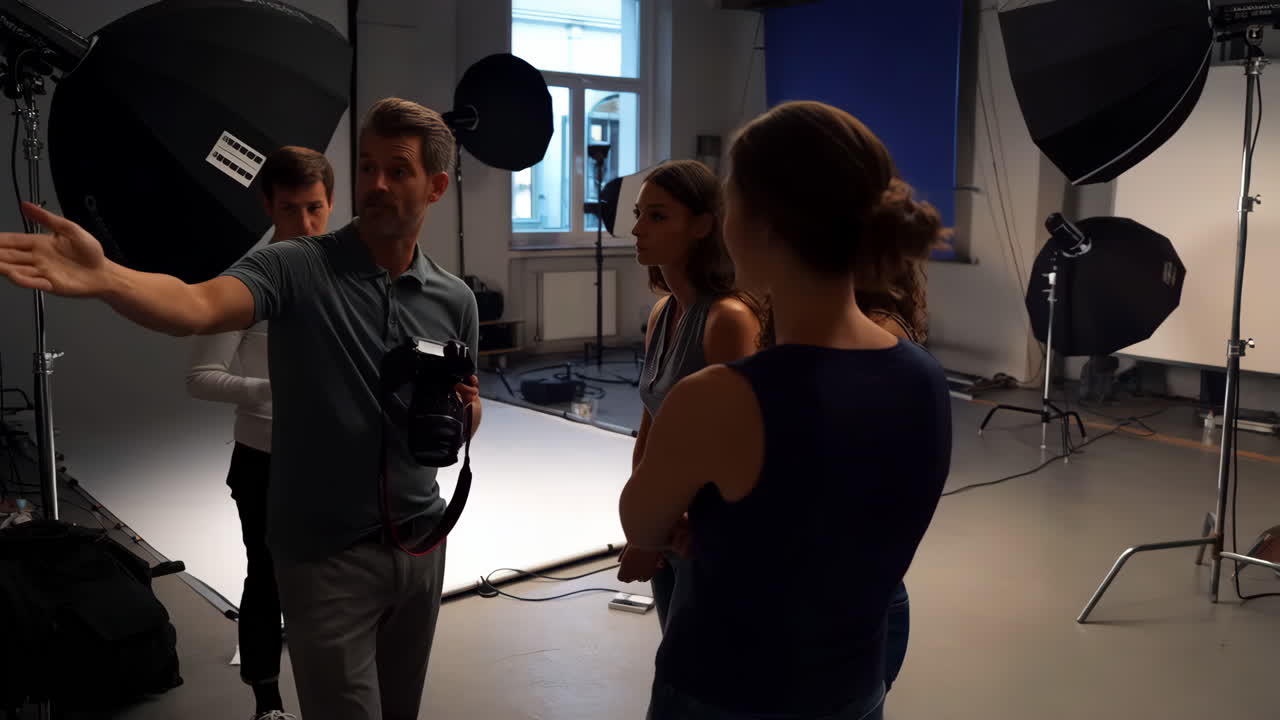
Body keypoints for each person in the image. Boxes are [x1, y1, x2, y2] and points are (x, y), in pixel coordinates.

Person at [0, 98, 482, 720]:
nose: (377, 184)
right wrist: (108, 278)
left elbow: (464, 415)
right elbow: (195, 305)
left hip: (422, 543)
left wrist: (463, 415)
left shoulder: (454, 299)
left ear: (436, 187)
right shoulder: (296, 266)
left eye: (398, 170)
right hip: (327, 556)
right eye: (367, 167)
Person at [618, 100, 952, 719]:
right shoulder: (927, 379)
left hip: (725, 693)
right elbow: (835, 528)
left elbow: (641, 525)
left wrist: (694, 526)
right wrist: (725, 529)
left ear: (760, 223)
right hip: (852, 690)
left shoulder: (717, 396)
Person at [185, 145, 334, 720]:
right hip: (264, 461)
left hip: (331, 460)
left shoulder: (345, 278)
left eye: (315, 208)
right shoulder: (243, 286)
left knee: (332, 582)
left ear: (330, 203)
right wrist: (274, 389)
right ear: (268, 206)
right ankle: (267, 703)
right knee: (267, 579)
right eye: (291, 209)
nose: (305, 223)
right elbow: (200, 377)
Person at [616, 159, 765, 630]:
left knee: (703, 660)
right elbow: (651, 427)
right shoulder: (663, 313)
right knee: (674, 650)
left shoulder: (728, 320)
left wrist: (662, 526)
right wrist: (643, 525)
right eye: (639, 214)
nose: (638, 229)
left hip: (705, 531)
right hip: (667, 524)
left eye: (657, 216)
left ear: (702, 225)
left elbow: (732, 449)